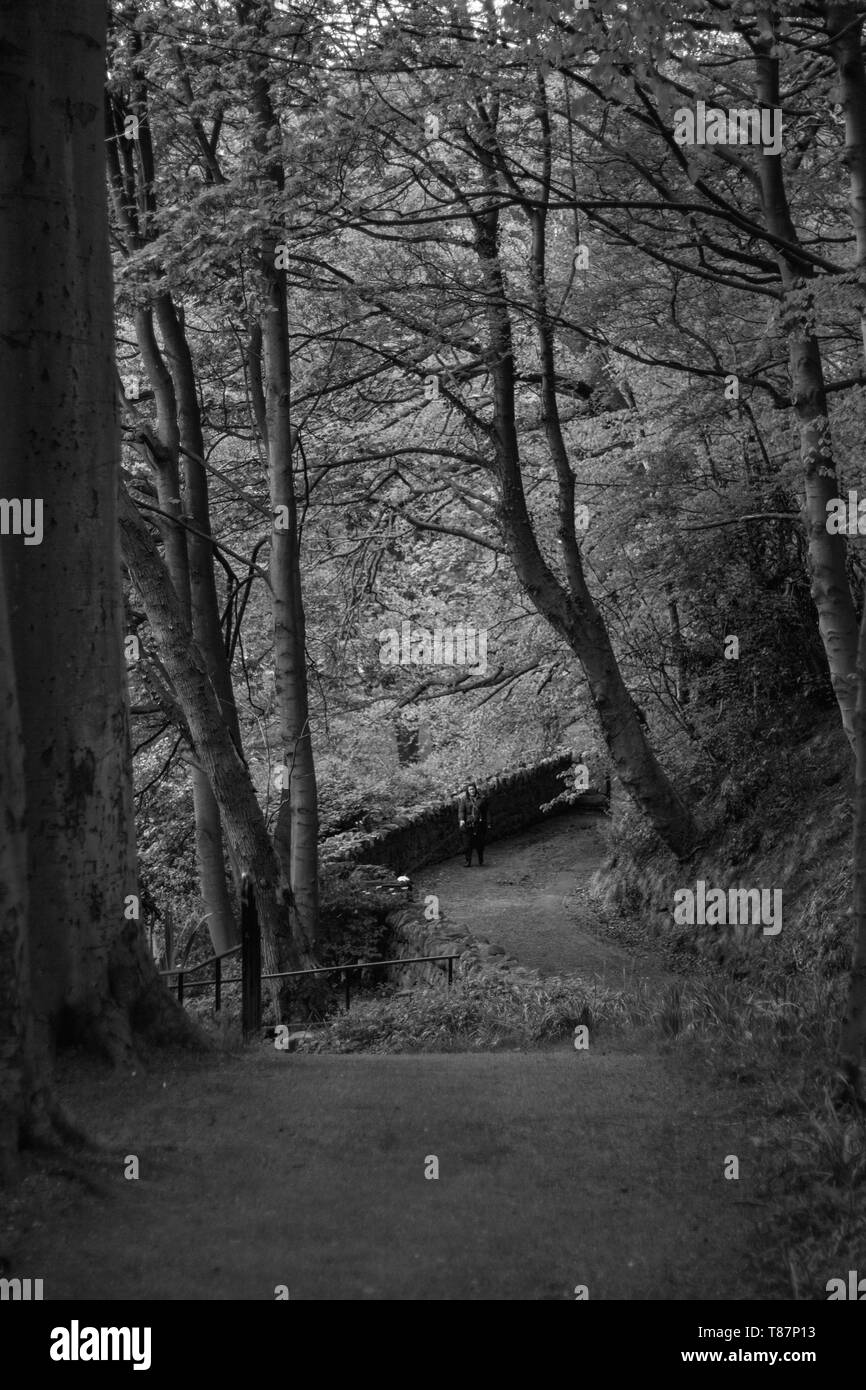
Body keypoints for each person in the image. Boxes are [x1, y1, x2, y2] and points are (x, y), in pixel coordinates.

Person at [457, 781, 489, 867]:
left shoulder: (482, 799)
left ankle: (480, 859)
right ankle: (468, 862)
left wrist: (488, 823)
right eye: (470, 789)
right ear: (468, 791)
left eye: (473, 789)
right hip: (468, 825)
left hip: (479, 825)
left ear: (475, 789)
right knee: (467, 845)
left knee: (480, 844)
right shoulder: (464, 800)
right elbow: (461, 811)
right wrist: (461, 820)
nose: (472, 791)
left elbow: (486, 812)